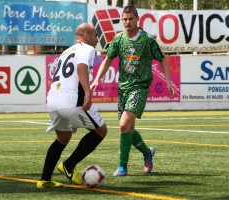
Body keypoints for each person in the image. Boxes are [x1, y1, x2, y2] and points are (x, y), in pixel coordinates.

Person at [90, 6, 174, 176]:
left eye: (130, 19)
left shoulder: (147, 40)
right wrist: (97, 78)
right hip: (123, 89)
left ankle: (122, 167)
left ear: (137, 19)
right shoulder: (118, 39)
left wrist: (168, 82)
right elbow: (108, 60)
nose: (127, 22)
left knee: (122, 126)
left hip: (140, 88)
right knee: (128, 129)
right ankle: (147, 153)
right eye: (125, 19)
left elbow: (163, 60)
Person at [37, 23, 108, 188]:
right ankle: (69, 164)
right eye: (95, 35)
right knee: (101, 130)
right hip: (70, 99)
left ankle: (44, 180)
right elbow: (81, 67)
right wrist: (88, 93)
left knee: (63, 138)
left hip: (53, 99)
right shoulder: (88, 49)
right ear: (86, 36)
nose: (97, 39)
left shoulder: (66, 51)